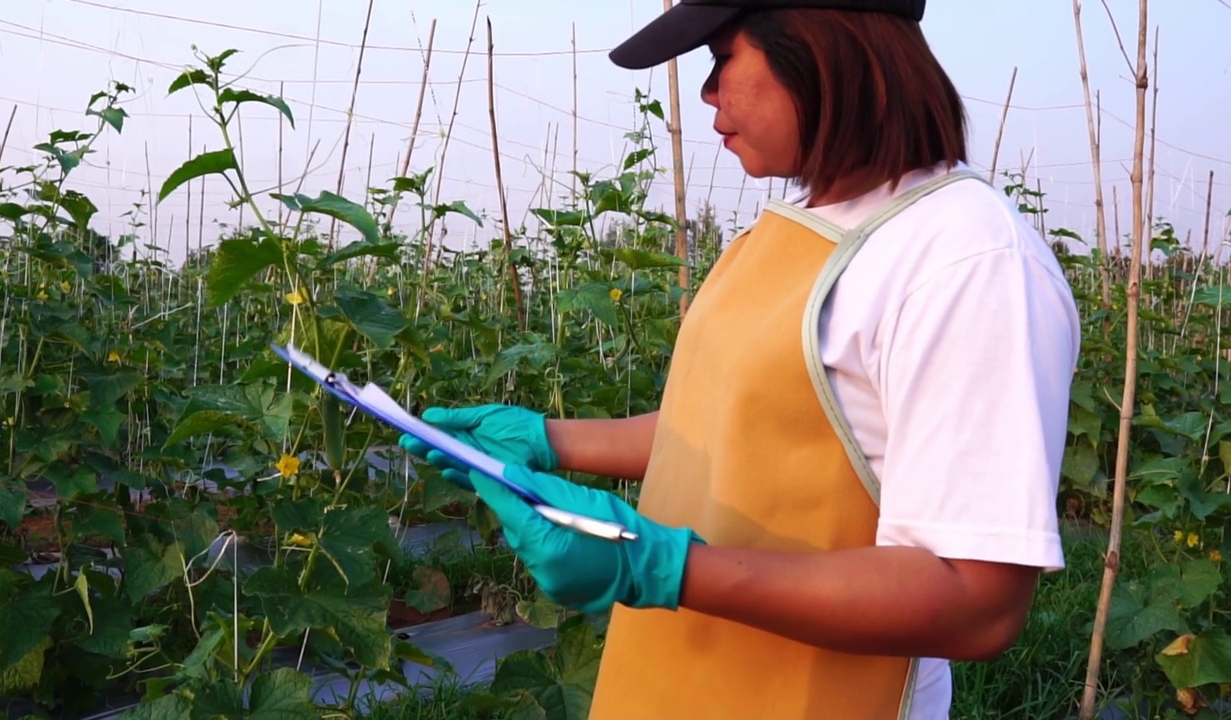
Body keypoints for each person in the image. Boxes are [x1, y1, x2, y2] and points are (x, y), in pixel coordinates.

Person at [401, 1, 1081, 717]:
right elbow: (736, 430)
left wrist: (666, 567)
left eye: (723, 56)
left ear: (820, 47)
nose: (707, 92)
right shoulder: (798, 230)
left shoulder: (965, 260)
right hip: (679, 679)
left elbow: (976, 601)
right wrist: (545, 440)